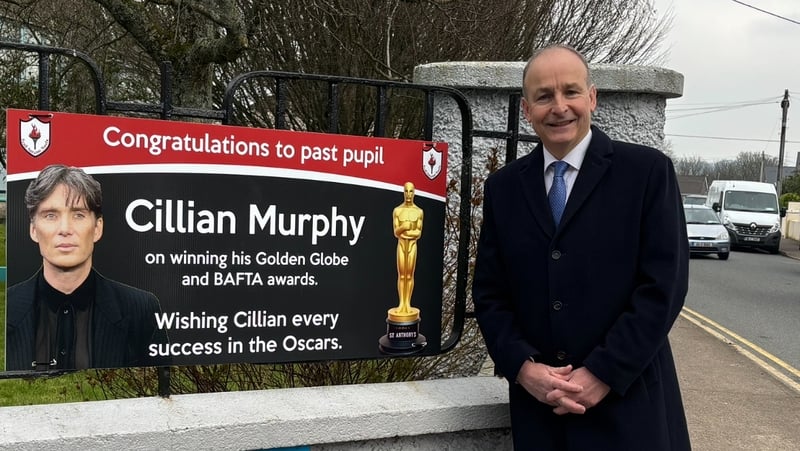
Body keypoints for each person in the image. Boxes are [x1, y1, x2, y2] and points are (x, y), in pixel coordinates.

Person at [472, 44, 690, 450]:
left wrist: (602, 373)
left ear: (592, 97)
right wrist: (522, 368)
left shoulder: (646, 173)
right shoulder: (503, 189)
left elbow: (663, 288)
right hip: (540, 414)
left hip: (629, 409)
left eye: (570, 92)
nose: (559, 107)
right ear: (526, 109)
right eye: (544, 96)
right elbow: (490, 294)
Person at [6, 164, 168, 371]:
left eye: (78, 215)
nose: (65, 229)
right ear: (33, 230)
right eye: (50, 215)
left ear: (97, 228)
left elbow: (160, 391)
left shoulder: (141, 309)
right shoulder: (8, 308)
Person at [392, 182, 423, 315]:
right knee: (402, 275)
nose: (408, 194)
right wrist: (404, 227)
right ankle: (401, 304)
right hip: (401, 245)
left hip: (411, 246)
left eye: (411, 191)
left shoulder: (418, 211)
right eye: (406, 191)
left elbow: (418, 233)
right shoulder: (398, 210)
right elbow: (396, 231)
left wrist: (405, 232)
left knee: (409, 275)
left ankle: (408, 303)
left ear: (414, 192)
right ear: (403, 192)